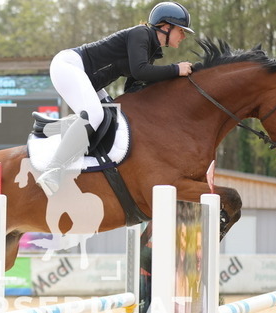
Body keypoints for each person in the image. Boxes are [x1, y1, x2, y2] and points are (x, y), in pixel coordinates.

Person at [36, 1, 195, 196]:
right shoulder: (141, 34)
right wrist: (175, 69)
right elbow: (140, 71)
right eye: (181, 30)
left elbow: (133, 87)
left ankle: (49, 128)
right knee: (95, 115)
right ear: (166, 27)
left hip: (86, 77)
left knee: (111, 116)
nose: (183, 36)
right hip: (69, 65)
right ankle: (53, 170)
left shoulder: (150, 49)